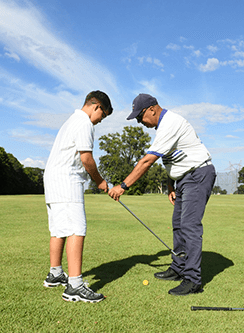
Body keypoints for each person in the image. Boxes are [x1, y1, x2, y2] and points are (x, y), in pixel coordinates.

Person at [108, 93, 216, 296]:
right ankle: (179, 268)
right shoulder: (162, 129)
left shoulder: (171, 123)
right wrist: (170, 186)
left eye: (140, 117)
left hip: (198, 174)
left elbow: (147, 161)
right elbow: (169, 162)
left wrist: (123, 186)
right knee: (178, 224)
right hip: (184, 178)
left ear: (151, 109)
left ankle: (193, 280)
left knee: (190, 226)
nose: (140, 122)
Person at [43, 90, 112, 303]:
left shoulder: (70, 121)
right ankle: (74, 285)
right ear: (96, 106)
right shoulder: (84, 123)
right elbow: (86, 158)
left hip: (53, 180)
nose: (101, 120)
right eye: (104, 115)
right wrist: (100, 181)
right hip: (67, 180)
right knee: (76, 229)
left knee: (59, 229)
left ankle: (55, 274)